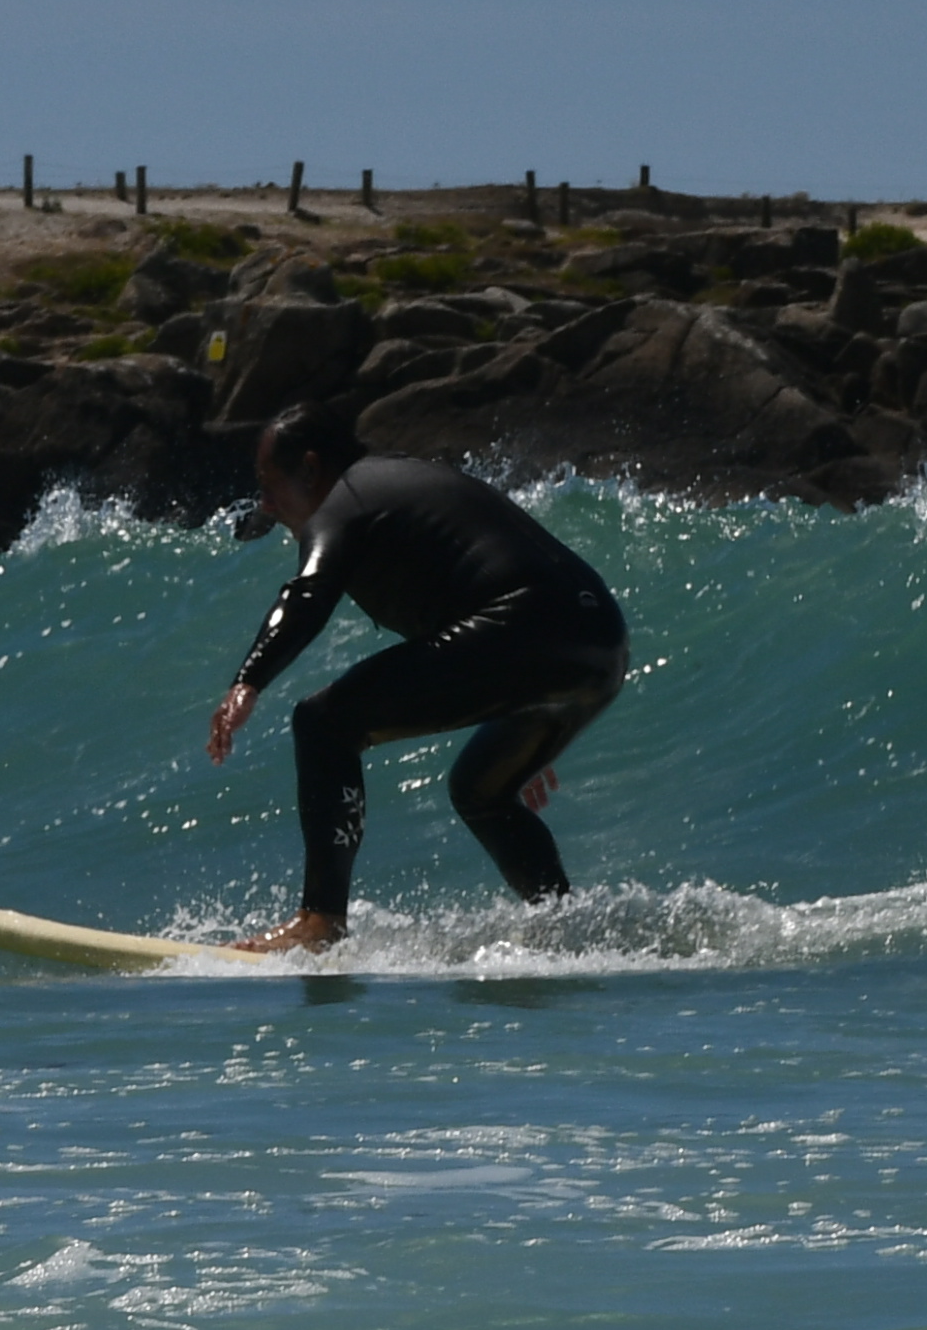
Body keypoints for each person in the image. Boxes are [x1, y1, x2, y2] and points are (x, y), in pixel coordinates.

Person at [202, 397, 630, 954]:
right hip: (599, 641)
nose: (265, 501)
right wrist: (524, 706)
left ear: (310, 468)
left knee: (324, 721)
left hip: (524, 628)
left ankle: (319, 919)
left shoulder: (342, 499)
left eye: (269, 482)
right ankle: (563, 928)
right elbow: (478, 588)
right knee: (482, 789)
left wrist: (247, 681)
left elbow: (308, 592)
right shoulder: (391, 486)